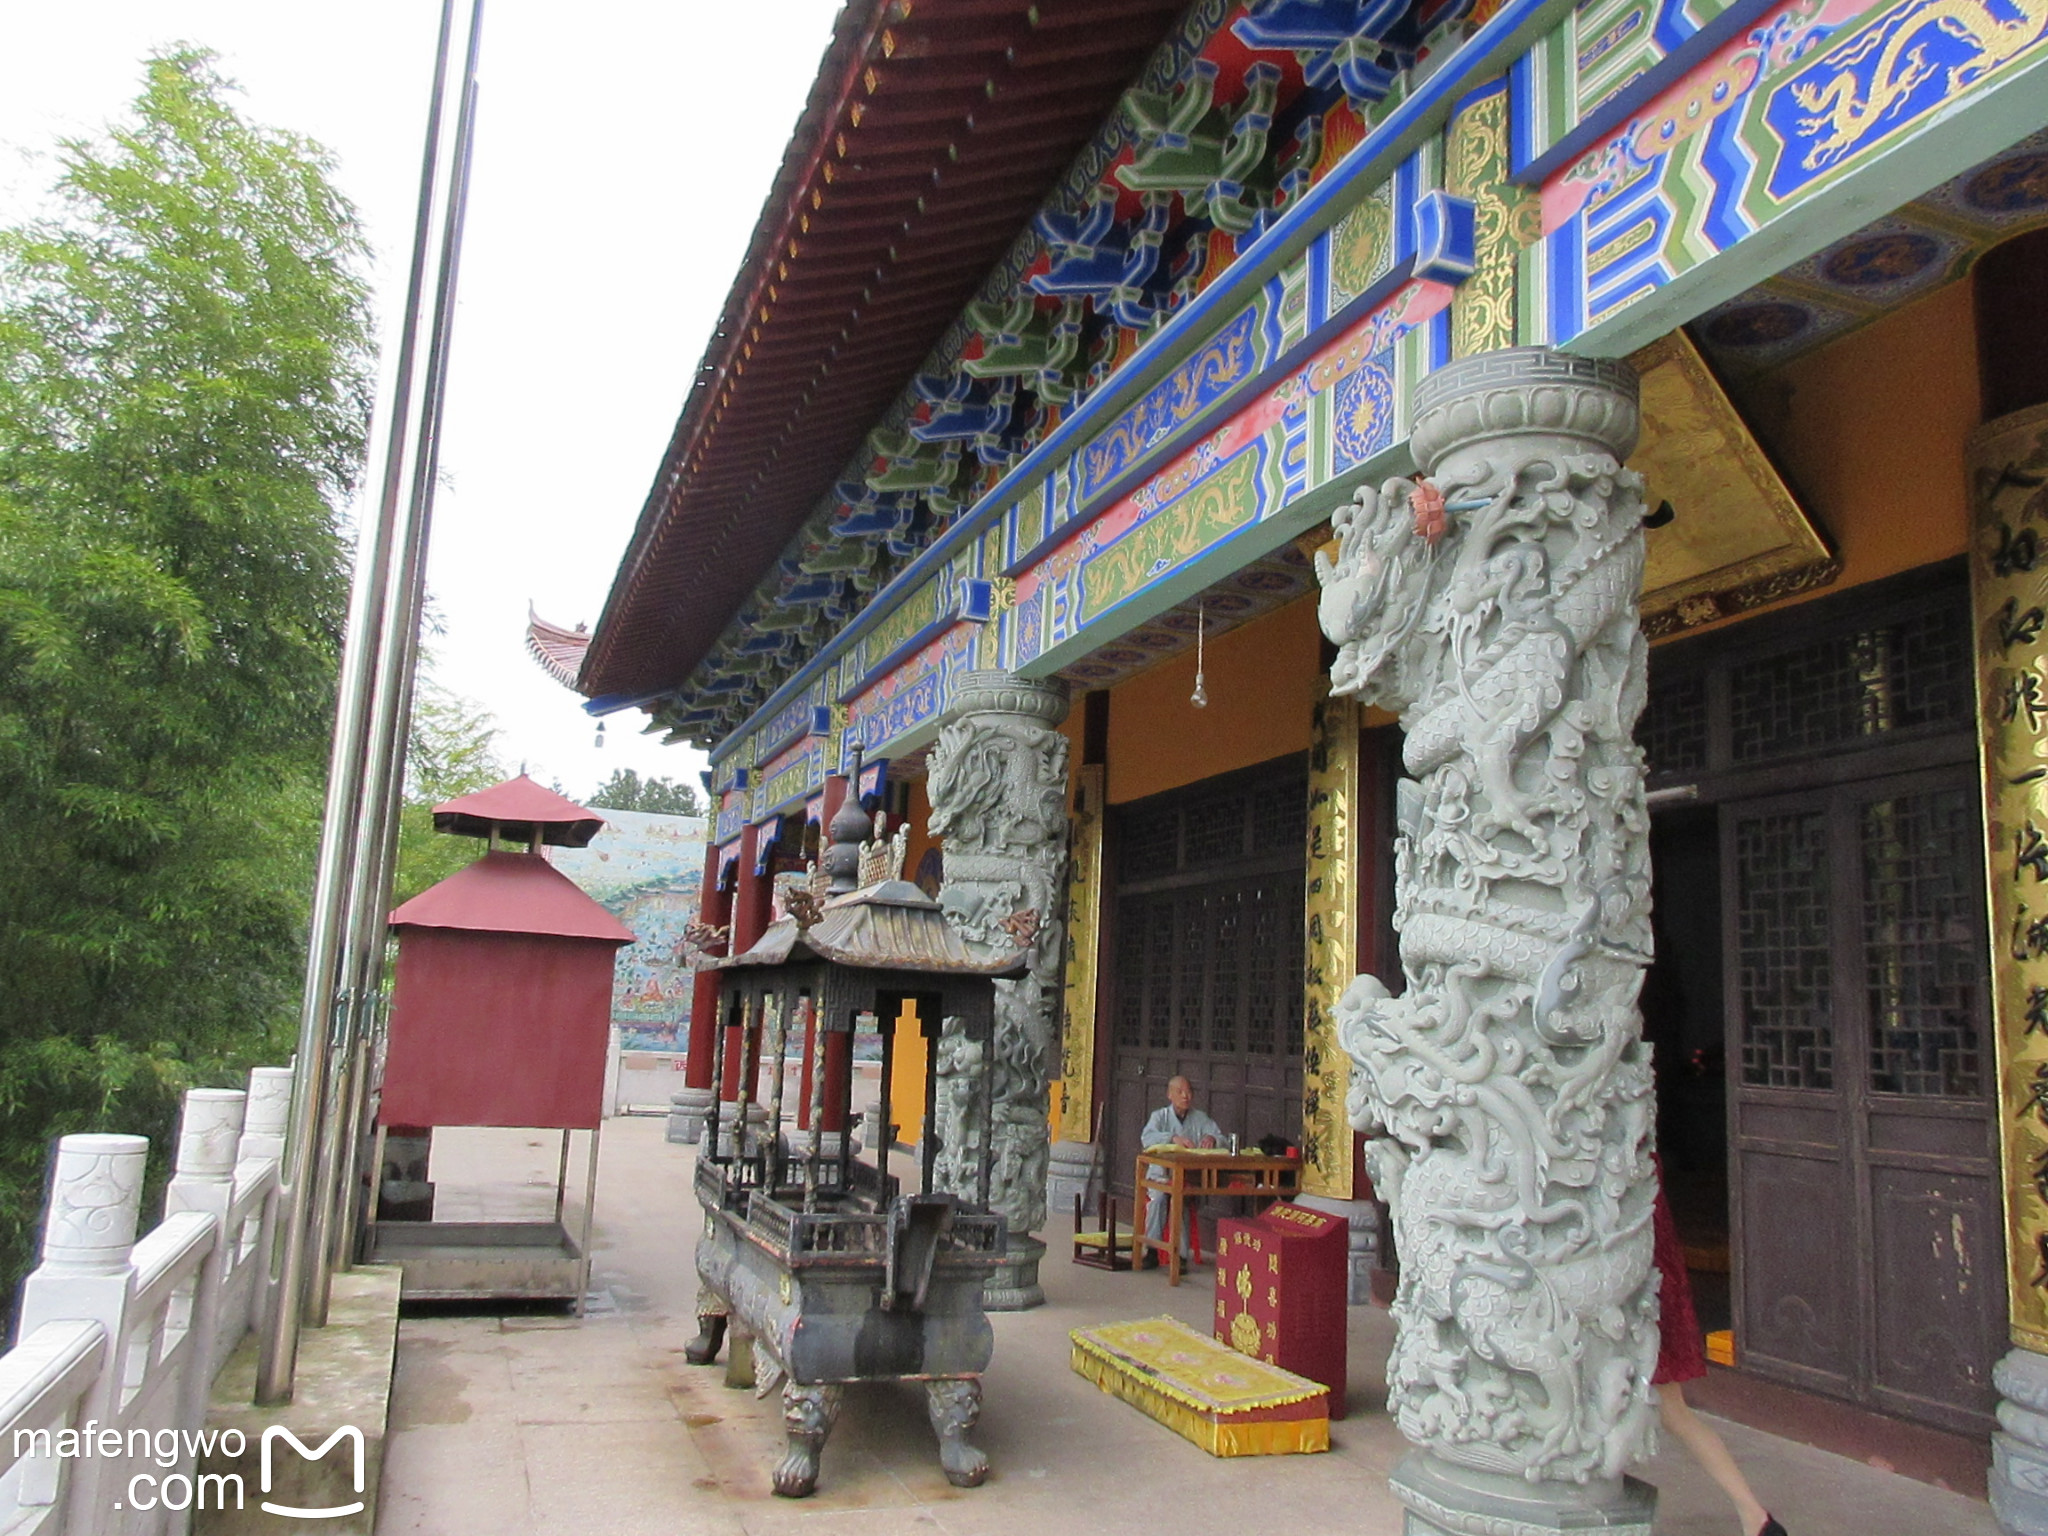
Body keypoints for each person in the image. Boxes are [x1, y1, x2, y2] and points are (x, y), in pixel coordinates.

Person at [1651, 1160, 1787, 1536]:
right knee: (1673, 1412)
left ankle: (1754, 1515)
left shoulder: (1626, 1161)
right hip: (1638, 1292)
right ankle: (1756, 1517)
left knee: (1670, 1410)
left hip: (1631, 1301)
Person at [1138, 1076, 1225, 1267]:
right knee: (1159, 1199)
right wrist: (1172, 1138)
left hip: (1188, 1176)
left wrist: (1212, 1138)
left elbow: (1221, 1137)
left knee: (1183, 1201)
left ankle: (1180, 1256)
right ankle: (1152, 1250)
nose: (1185, 1096)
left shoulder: (1199, 1117)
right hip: (1161, 1176)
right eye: (1180, 1092)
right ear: (1170, 1095)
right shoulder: (1159, 1117)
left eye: (1189, 1092)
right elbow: (1147, 1138)